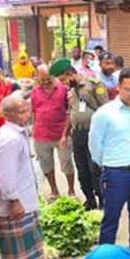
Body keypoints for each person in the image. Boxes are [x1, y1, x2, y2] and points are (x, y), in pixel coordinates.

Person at [0, 92, 46, 259]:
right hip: (15, 201)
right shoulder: (10, 139)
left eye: (27, 110)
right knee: (16, 247)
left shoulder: (17, 133)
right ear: (8, 114)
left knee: (26, 242)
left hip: (24, 197)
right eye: (21, 112)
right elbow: (6, 174)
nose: (26, 115)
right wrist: (14, 200)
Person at [89, 68, 130, 245]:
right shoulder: (105, 113)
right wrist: (105, 164)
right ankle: (105, 258)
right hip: (115, 174)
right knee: (111, 219)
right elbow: (94, 144)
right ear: (119, 87)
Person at [51, 59, 109, 211]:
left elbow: (107, 109)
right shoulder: (71, 91)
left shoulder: (93, 85)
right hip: (78, 134)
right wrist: (64, 135)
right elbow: (71, 113)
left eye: (63, 79)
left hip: (94, 132)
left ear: (70, 73)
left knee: (94, 169)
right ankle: (90, 200)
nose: (62, 84)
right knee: (82, 170)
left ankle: (103, 200)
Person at [32, 64, 75, 200]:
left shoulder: (63, 89)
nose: (45, 82)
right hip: (41, 135)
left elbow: (71, 112)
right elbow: (34, 112)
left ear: (53, 76)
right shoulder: (35, 91)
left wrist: (65, 134)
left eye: (48, 79)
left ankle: (71, 190)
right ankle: (54, 190)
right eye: (41, 79)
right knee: (46, 164)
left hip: (61, 134)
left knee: (66, 162)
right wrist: (34, 128)